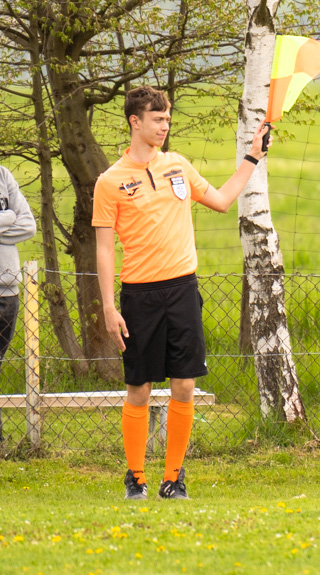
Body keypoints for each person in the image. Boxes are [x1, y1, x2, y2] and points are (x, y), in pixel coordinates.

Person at [93, 86, 269, 499]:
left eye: (168, 119)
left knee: (185, 385)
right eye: (158, 119)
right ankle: (135, 476)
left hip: (183, 291)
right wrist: (107, 307)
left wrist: (252, 158)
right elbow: (103, 248)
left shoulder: (178, 166)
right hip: (139, 295)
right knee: (139, 388)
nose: (164, 126)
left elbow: (224, 201)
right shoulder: (110, 181)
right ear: (135, 122)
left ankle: (174, 478)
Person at [0, 166, 37, 443]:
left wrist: (13, 216)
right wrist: (7, 216)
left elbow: (28, 224)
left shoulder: (3, 175)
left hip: (6, 291)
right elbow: (16, 219)